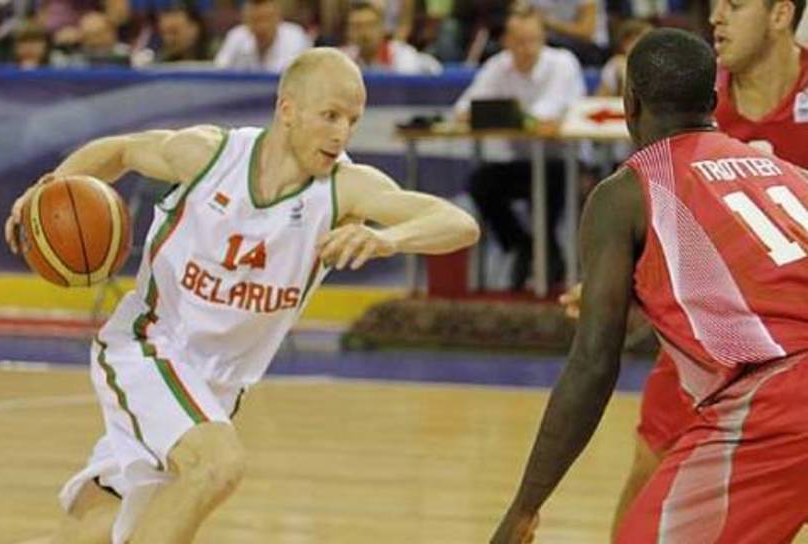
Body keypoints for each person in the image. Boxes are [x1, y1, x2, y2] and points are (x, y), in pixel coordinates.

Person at [4, 47, 479, 544]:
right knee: (217, 465)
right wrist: (50, 188)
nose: (342, 134)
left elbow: (458, 223)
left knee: (93, 532)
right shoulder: (210, 156)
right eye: (330, 115)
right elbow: (120, 151)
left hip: (214, 391)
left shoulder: (345, 190)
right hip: (148, 348)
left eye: (352, 120)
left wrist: (389, 239)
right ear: (287, 110)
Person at [492, 28, 808, 544]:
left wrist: (525, 506)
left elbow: (593, 364)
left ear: (629, 103)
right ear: (713, 102)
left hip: (777, 402)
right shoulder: (786, 171)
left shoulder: (626, 193)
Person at [454, 5, 585, 290]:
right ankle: (522, 245)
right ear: (506, 41)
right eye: (519, 41)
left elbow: (548, 110)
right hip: (523, 161)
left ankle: (548, 259)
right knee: (481, 183)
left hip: (565, 162)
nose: (527, 48)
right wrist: (477, 113)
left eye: (533, 41)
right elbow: (464, 107)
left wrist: (513, 117)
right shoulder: (497, 66)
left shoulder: (562, 63)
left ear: (543, 39)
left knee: (548, 189)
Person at [342, 1, 442, 74]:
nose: (364, 33)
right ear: (348, 32)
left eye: (370, 25)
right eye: (357, 26)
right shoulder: (342, 59)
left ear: (382, 28)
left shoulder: (403, 56)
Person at [214, 0, 311, 72]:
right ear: (246, 20)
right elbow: (218, 73)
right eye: (256, 20)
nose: (261, 27)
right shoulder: (236, 36)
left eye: (266, 19)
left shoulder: (296, 37)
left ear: (278, 18)